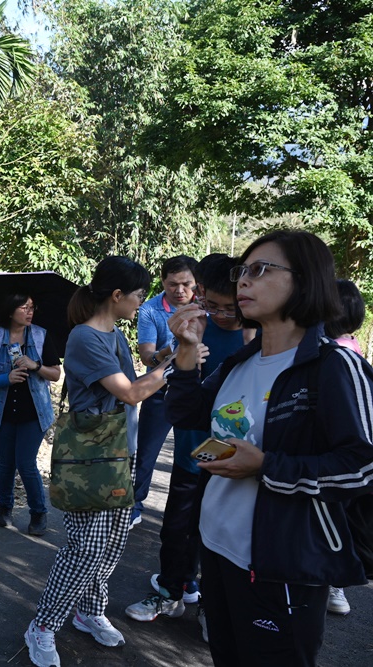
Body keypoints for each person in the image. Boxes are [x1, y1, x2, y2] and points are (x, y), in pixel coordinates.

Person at [166, 230, 373, 667]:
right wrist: (186, 351)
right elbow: (186, 414)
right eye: (243, 271)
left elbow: (363, 466)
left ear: (305, 279)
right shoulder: (239, 363)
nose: (243, 281)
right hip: (217, 550)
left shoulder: (334, 366)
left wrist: (265, 465)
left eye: (260, 270)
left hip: (283, 564)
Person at [23, 256, 174, 667]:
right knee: (84, 549)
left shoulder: (116, 338)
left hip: (119, 450)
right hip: (92, 457)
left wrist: (167, 356)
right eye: (139, 295)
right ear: (117, 295)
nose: (142, 303)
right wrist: (173, 365)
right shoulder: (84, 338)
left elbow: (134, 383)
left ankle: (89, 611)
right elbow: (130, 393)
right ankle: (43, 625)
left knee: (111, 543)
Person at [125, 254, 249, 631]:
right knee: (178, 527)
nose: (222, 315)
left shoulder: (261, 335)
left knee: (225, 536)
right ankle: (170, 593)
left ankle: (214, 607)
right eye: (213, 305)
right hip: (193, 450)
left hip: (238, 460)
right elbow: (176, 397)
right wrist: (181, 352)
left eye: (232, 307)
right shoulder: (194, 326)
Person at [0, 294, 62, 535]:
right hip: (0, 413)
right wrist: (6, 378)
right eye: (24, 307)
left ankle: (38, 512)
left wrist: (35, 365)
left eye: (32, 307)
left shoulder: (41, 336)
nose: (29, 311)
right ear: (10, 310)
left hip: (34, 412)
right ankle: (4, 507)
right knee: (5, 464)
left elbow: (55, 374)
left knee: (25, 463)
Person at [132, 255, 199, 528]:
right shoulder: (149, 309)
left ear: (197, 283)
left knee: (194, 455)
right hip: (159, 389)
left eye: (186, 284)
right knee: (146, 452)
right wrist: (171, 349)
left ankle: (191, 511)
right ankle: (135, 505)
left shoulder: (206, 308)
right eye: (173, 284)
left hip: (196, 391)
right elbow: (147, 356)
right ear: (163, 282)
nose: (180, 290)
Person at [323, 278, 367, 615]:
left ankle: (334, 584)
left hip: (334, 457)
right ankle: (335, 585)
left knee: (334, 520)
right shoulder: (353, 348)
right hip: (337, 458)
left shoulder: (341, 356)